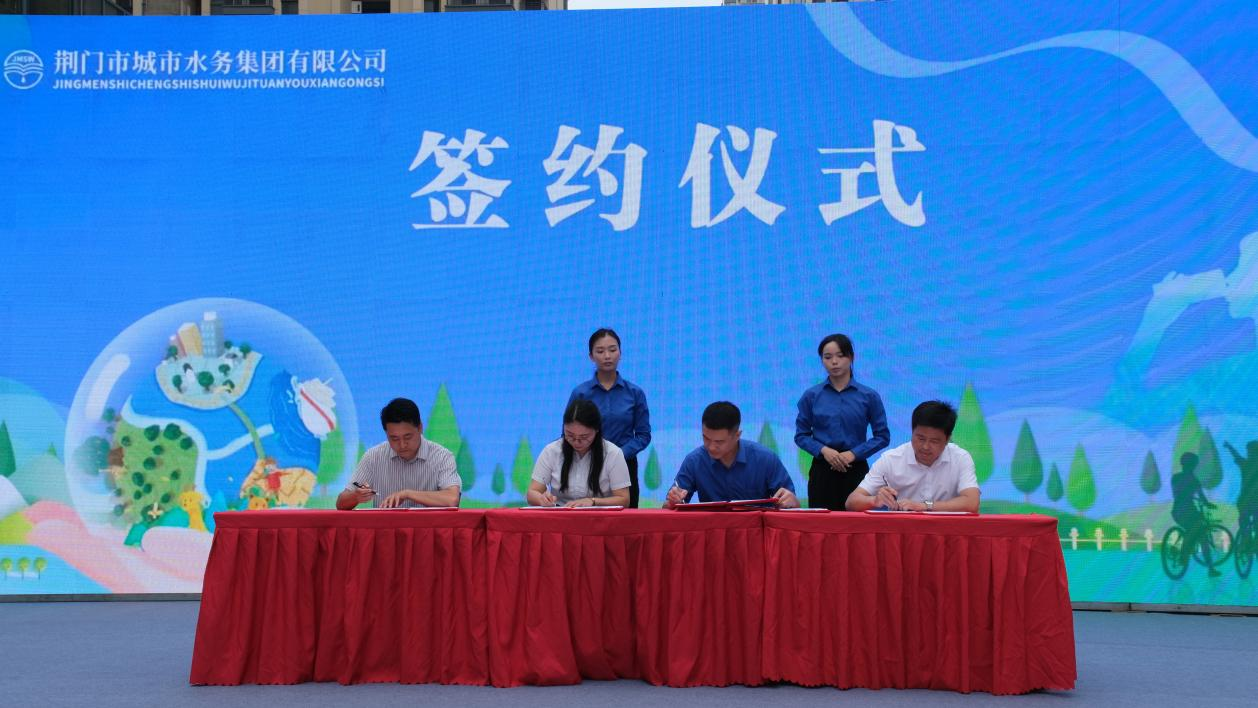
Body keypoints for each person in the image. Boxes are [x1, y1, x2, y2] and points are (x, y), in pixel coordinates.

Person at [794, 333, 890, 510]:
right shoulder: (811, 396)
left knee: (856, 523)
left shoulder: (869, 396)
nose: (834, 362)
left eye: (840, 356)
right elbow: (801, 436)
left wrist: (853, 454)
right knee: (821, 523)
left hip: (856, 469)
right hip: (823, 469)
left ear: (851, 357)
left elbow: (882, 436)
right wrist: (824, 451)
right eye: (827, 357)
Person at [845, 400, 980, 512]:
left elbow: (972, 503)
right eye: (920, 438)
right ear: (912, 431)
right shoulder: (891, 459)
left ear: (947, 439)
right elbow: (851, 502)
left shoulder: (960, 458)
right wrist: (874, 500)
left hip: (947, 531)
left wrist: (924, 506)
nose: (925, 446)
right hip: (903, 531)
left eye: (934, 441)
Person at [568, 328, 651, 507]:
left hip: (625, 466)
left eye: (612, 350)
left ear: (620, 353)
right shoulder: (580, 393)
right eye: (600, 351)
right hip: (587, 466)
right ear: (591, 356)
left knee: (625, 520)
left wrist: (618, 455)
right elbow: (567, 433)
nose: (607, 356)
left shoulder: (635, 393)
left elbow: (643, 435)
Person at [665, 401, 799, 508]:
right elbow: (668, 507)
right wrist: (672, 501)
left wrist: (791, 501)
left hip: (756, 530)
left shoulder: (765, 459)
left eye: (719, 442)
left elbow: (793, 505)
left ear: (737, 435)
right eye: (706, 438)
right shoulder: (694, 461)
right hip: (713, 530)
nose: (711, 447)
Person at [336, 398, 461, 510]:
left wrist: (407, 494)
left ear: (420, 428)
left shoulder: (442, 457)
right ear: (386, 434)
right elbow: (341, 504)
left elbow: (452, 499)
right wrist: (356, 496)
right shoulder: (373, 457)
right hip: (386, 528)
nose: (402, 445)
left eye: (408, 437)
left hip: (428, 528)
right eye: (394, 438)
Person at [527, 398, 632, 507]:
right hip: (561, 513)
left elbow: (624, 500)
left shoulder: (613, 453)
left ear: (596, 430)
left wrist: (593, 501)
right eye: (570, 435)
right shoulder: (551, 451)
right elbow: (532, 493)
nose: (577, 442)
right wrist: (542, 499)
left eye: (584, 437)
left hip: (600, 515)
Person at [1170, 452, 1218, 576]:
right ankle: (1184, 557)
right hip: (1185, 511)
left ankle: (1210, 568)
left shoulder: (1177, 478)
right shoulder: (1192, 479)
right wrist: (1207, 504)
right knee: (1198, 533)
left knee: (1201, 535)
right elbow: (1200, 497)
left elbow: (1180, 493)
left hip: (1182, 511)